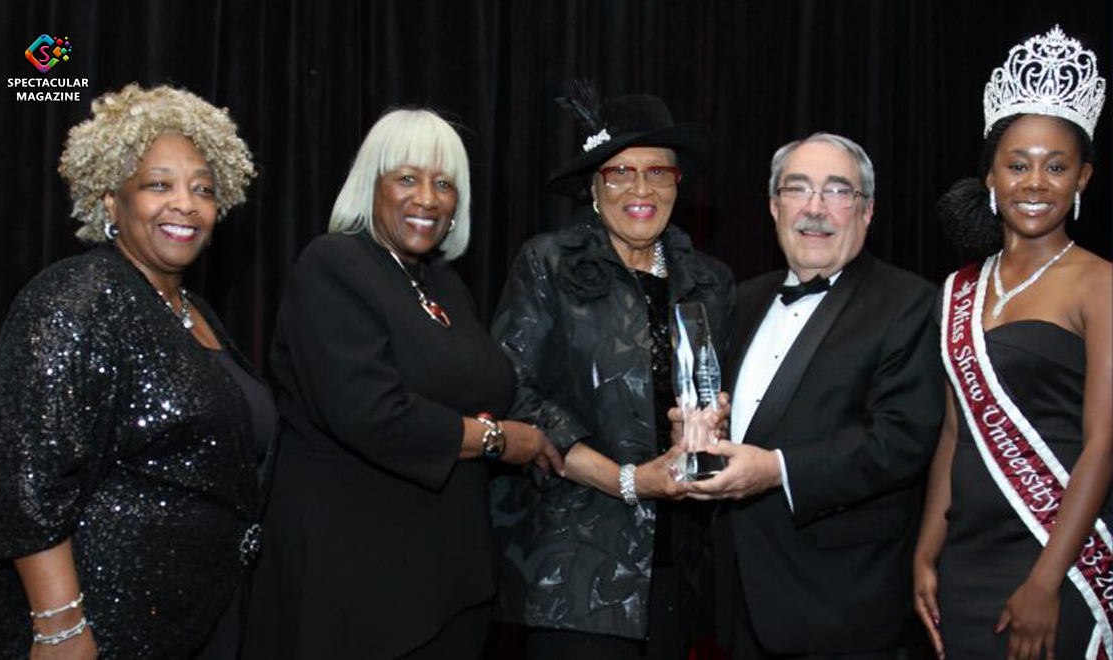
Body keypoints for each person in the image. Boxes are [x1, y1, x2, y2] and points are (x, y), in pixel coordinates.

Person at [241, 108, 562, 660]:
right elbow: (369, 412)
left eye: (444, 184)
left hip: (446, 579)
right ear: (373, 184)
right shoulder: (334, 264)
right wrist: (498, 440)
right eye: (408, 178)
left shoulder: (441, 282)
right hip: (356, 583)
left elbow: (490, 385)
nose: (428, 199)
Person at [0, 83, 268, 660]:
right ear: (112, 201)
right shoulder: (77, 296)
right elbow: (23, 478)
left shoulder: (192, 311)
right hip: (105, 624)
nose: (185, 203)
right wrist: (60, 630)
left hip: (194, 619)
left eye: (203, 189)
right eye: (158, 184)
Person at [489, 93, 736, 659]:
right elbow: (513, 392)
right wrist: (627, 479)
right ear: (593, 187)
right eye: (620, 172)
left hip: (679, 571)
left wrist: (710, 427)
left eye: (658, 172)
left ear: (678, 183)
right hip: (574, 573)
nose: (641, 190)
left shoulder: (711, 282)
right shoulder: (548, 263)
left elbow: (722, 397)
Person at [682, 132, 945, 658]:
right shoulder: (743, 298)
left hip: (844, 610)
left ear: (866, 211)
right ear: (774, 206)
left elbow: (901, 441)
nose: (814, 209)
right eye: (797, 189)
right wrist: (694, 431)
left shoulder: (910, 302)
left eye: (837, 191)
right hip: (739, 604)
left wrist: (777, 468)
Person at [915, 26, 1112, 660]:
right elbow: (954, 434)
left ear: (1082, 179)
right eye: (1018, 164)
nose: (1035, 182)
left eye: (1056, 167)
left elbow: (1105, 443)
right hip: (967, 557)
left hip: (1059, 555)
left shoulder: (1100, 284)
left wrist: (1046, 581)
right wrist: (926, 548)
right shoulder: (958, 289)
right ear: (992, 176)